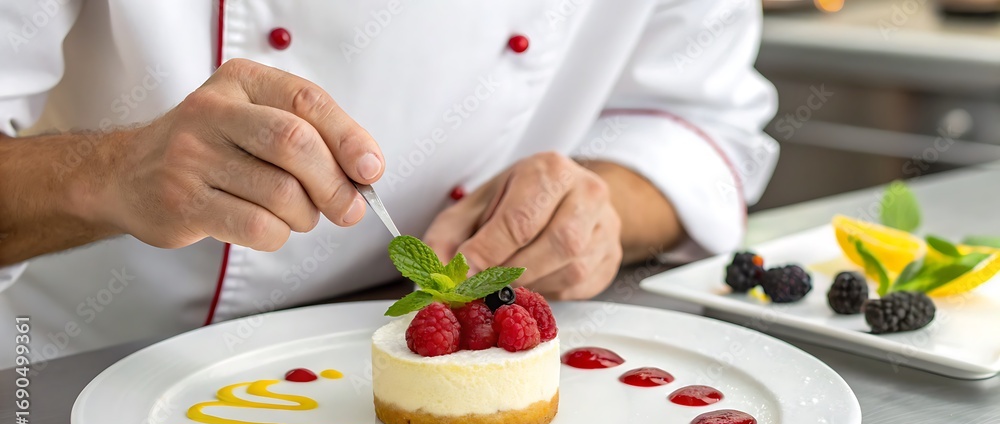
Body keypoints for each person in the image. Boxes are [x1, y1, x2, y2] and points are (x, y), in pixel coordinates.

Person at [0, 0, 778, 367]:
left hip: (437, 417)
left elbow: (699, 123)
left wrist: (600, 206)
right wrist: (111, 174)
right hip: (80, 377)